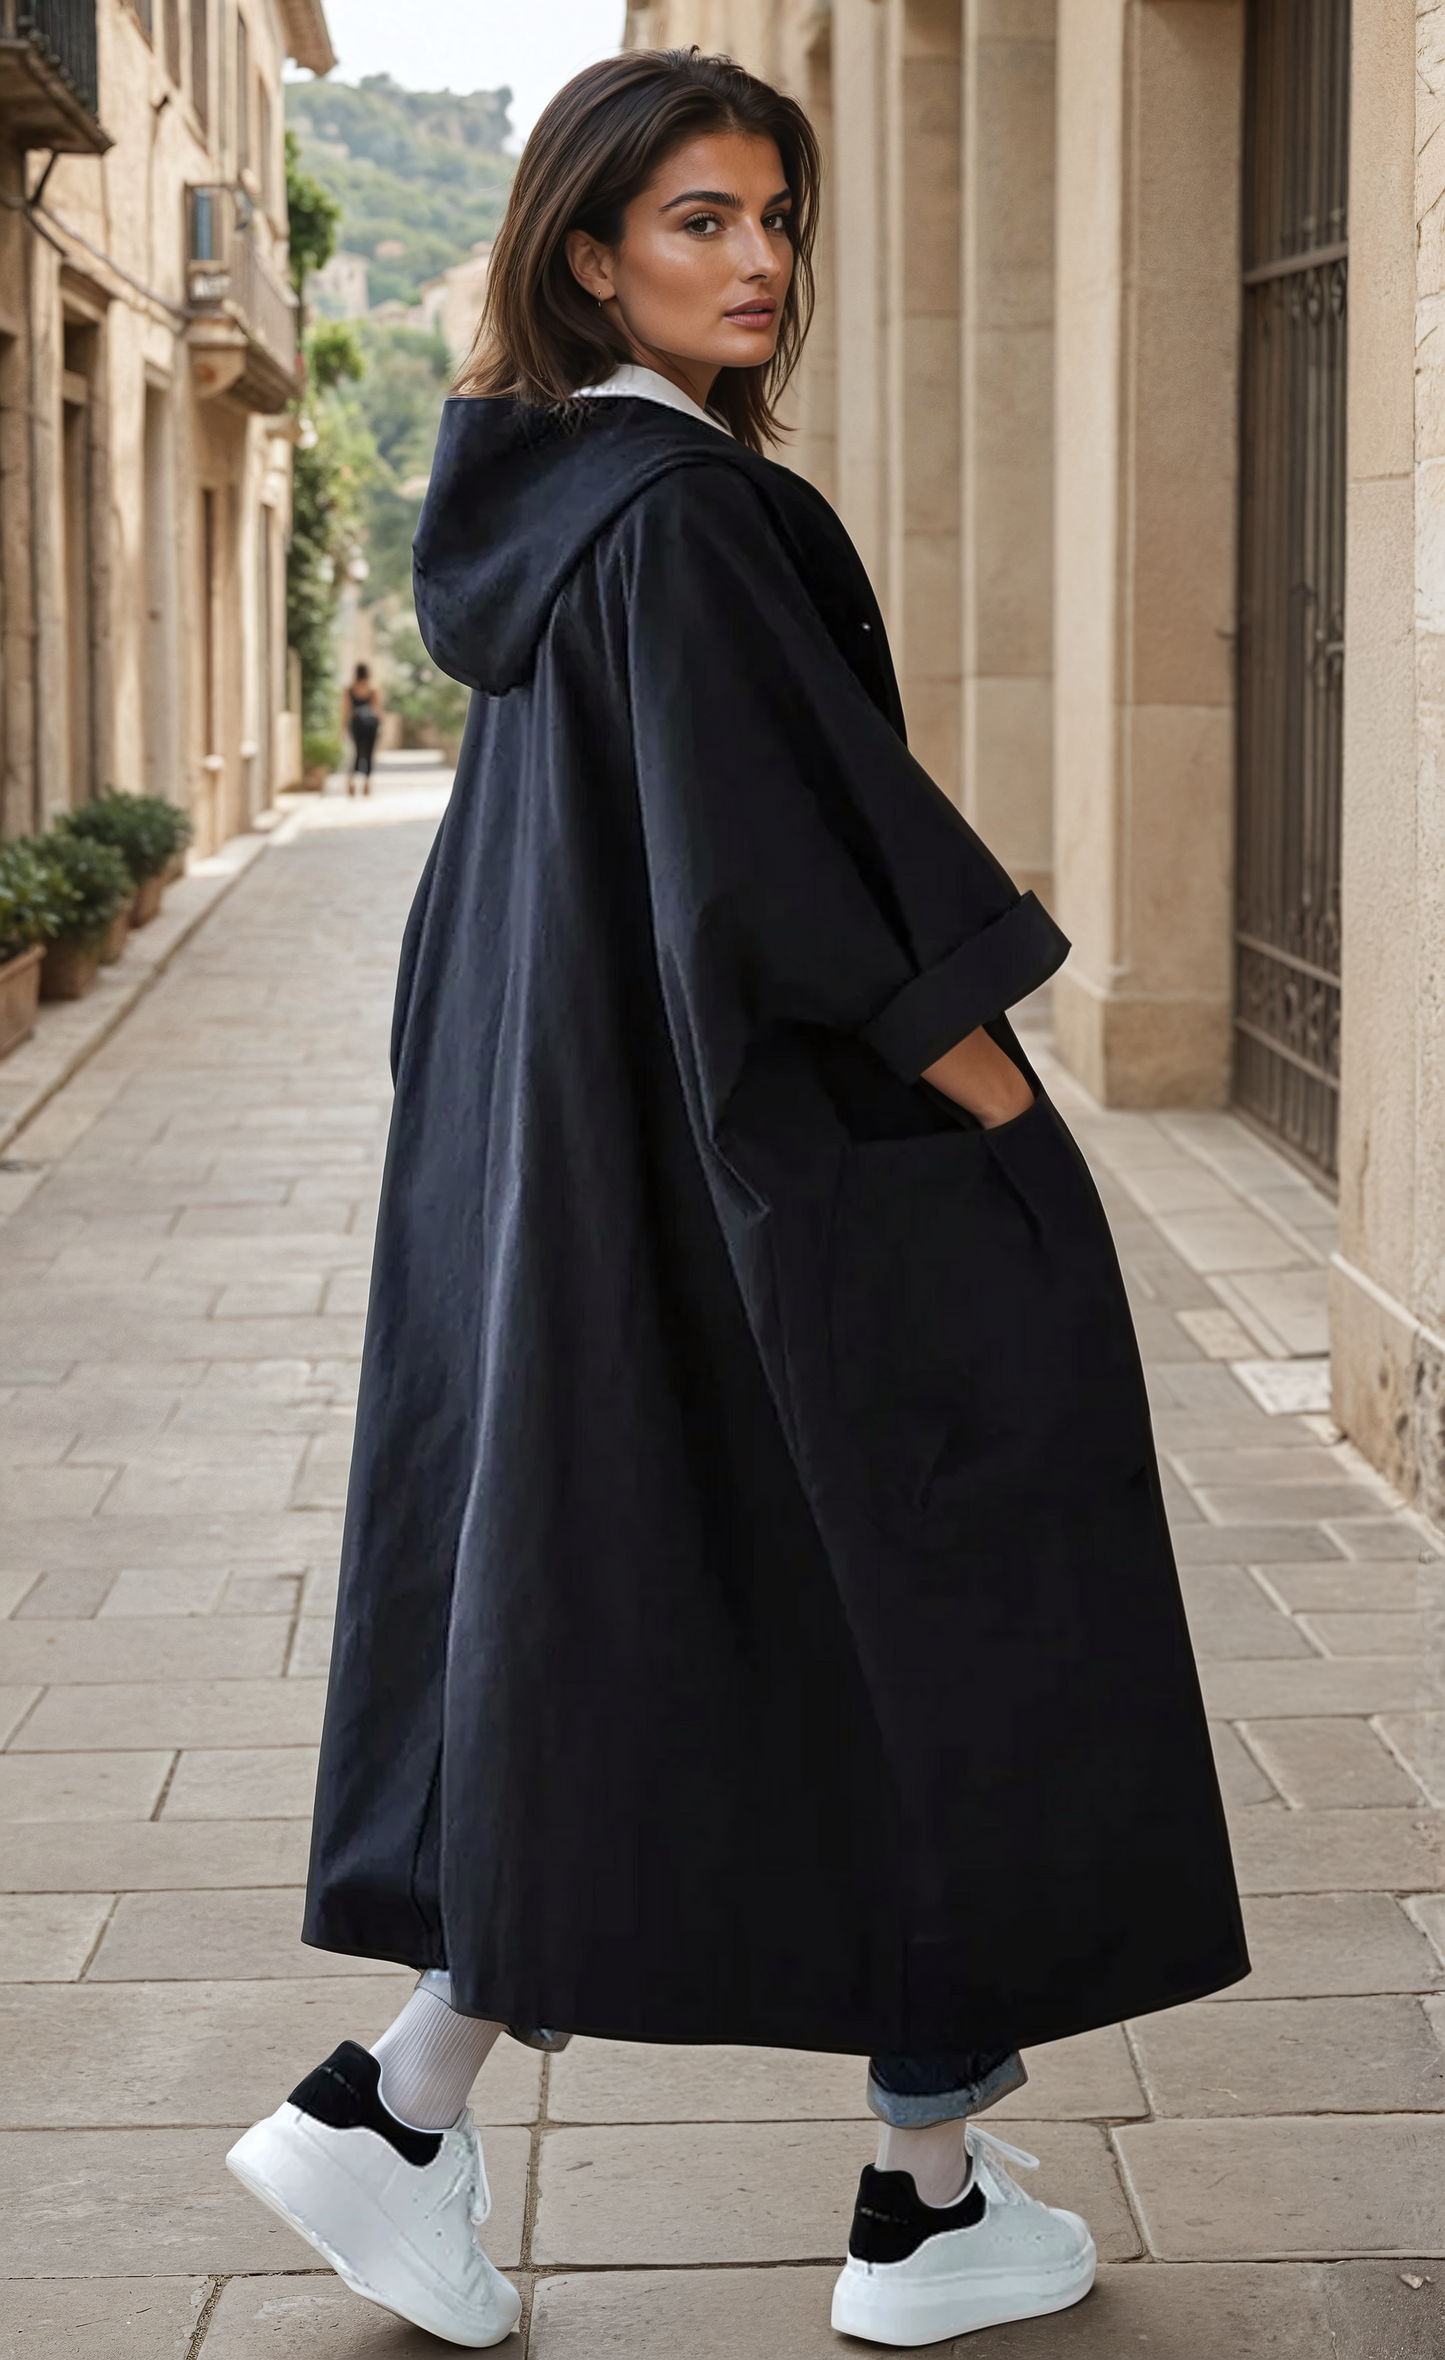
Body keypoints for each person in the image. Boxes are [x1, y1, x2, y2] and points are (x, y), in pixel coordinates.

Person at [227, 48, 1247, 2351]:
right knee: (924, 1614)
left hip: (614, 1195)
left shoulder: (566, 516)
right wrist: (1007, 1121)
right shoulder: (679, 523)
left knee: (712, 1642)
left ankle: (503, 2119)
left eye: (775, 215)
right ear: (589, 253)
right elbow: (790, 890)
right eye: (699, 219)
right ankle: (876, 2188)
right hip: (757, 1195)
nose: (761, 258)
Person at [344, 664, 382, 793]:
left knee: (356, 753)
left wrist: (343, 728)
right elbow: (377, 709)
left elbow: (346, 711)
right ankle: (367, 783)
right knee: (369, 754)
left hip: (356, 725)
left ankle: (351, 782)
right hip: (371, 725)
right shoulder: (373, 689)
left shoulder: (350, 690)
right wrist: (382, 727)